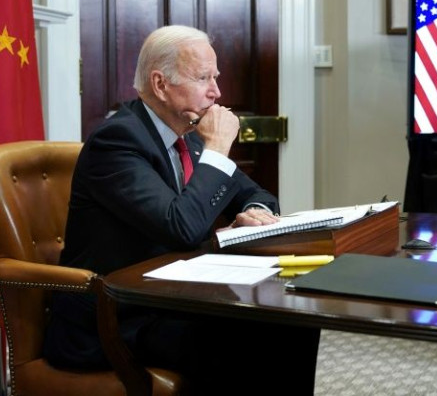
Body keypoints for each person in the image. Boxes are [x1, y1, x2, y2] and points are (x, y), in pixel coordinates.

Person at [43, 25, 320, 393]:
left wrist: (253, 211)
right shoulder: (117, 141)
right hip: (116, 317)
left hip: (174, 301)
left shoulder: (188, 136)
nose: (217, 92)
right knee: (248, 344)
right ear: (160, 84)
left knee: (293, 323)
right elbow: (181, 227)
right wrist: (220, 148)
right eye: (203, 78)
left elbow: (261, 196)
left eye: (215, 77)